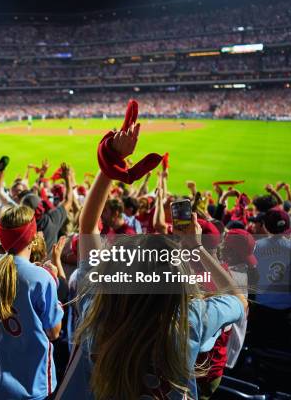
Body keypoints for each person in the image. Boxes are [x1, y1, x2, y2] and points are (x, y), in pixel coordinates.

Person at [55, 102, 246, 400]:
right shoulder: (189, 321)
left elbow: (87, 227)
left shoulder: (96, 306)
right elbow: (239, 301)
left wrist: (111, 162)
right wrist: (195, 248)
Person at [0, 205, 63, 399]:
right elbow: (54, 332)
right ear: (33, 238)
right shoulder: (41, 278)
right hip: (29, 386)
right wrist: (53, 282)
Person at [249, 207, 291, 349]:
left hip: (260, 313)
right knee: (283, 358)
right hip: (289, 315)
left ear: (266, 226)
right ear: (288, 227)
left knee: (259, 355)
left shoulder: (254, 248)